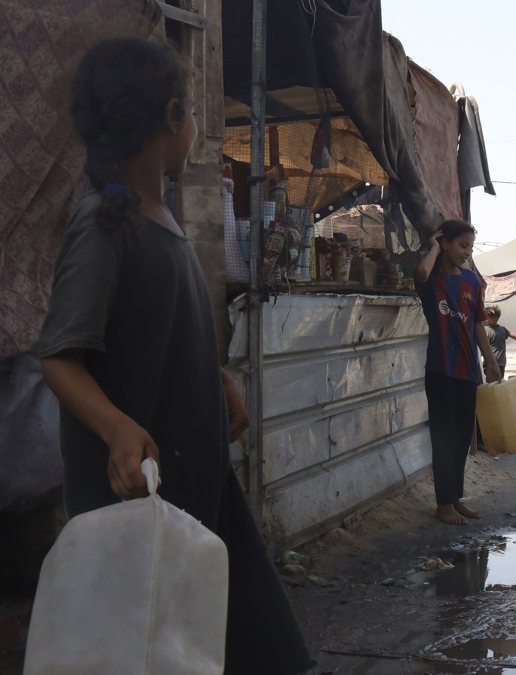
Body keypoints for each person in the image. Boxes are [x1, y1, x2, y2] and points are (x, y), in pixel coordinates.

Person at [37, 38, 313, 673]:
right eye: (193, 111)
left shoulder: (163, 217)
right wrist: (117, 428)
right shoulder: (104, 224)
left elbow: (159, 331)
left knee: (241, 644)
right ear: (170, 116)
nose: (196, 124)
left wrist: (217, 381)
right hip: (135, 509)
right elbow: (60, 357)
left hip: (196, 488)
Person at [415, 219, 502, 526]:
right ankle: (442, 504)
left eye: (470, 247)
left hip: (468, 370)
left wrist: (490, 362)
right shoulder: (432, 281)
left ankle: (455, 498)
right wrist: (434, 245)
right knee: (443, 437)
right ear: (447, 244)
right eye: (462, 245)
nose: (467, 252)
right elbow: (422, 272)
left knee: (463, 437)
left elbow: (478, 324)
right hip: (440, 370)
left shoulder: (470, 283)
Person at [483, 305, 516, 379]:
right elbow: (513, 335)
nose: (484, 319)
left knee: (490, 383)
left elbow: (483, 346)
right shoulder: (502, 329)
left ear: (493, 319)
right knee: (499, 381)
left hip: (491, 363)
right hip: (502, 362)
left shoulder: (486, 331)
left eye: (486, 318)